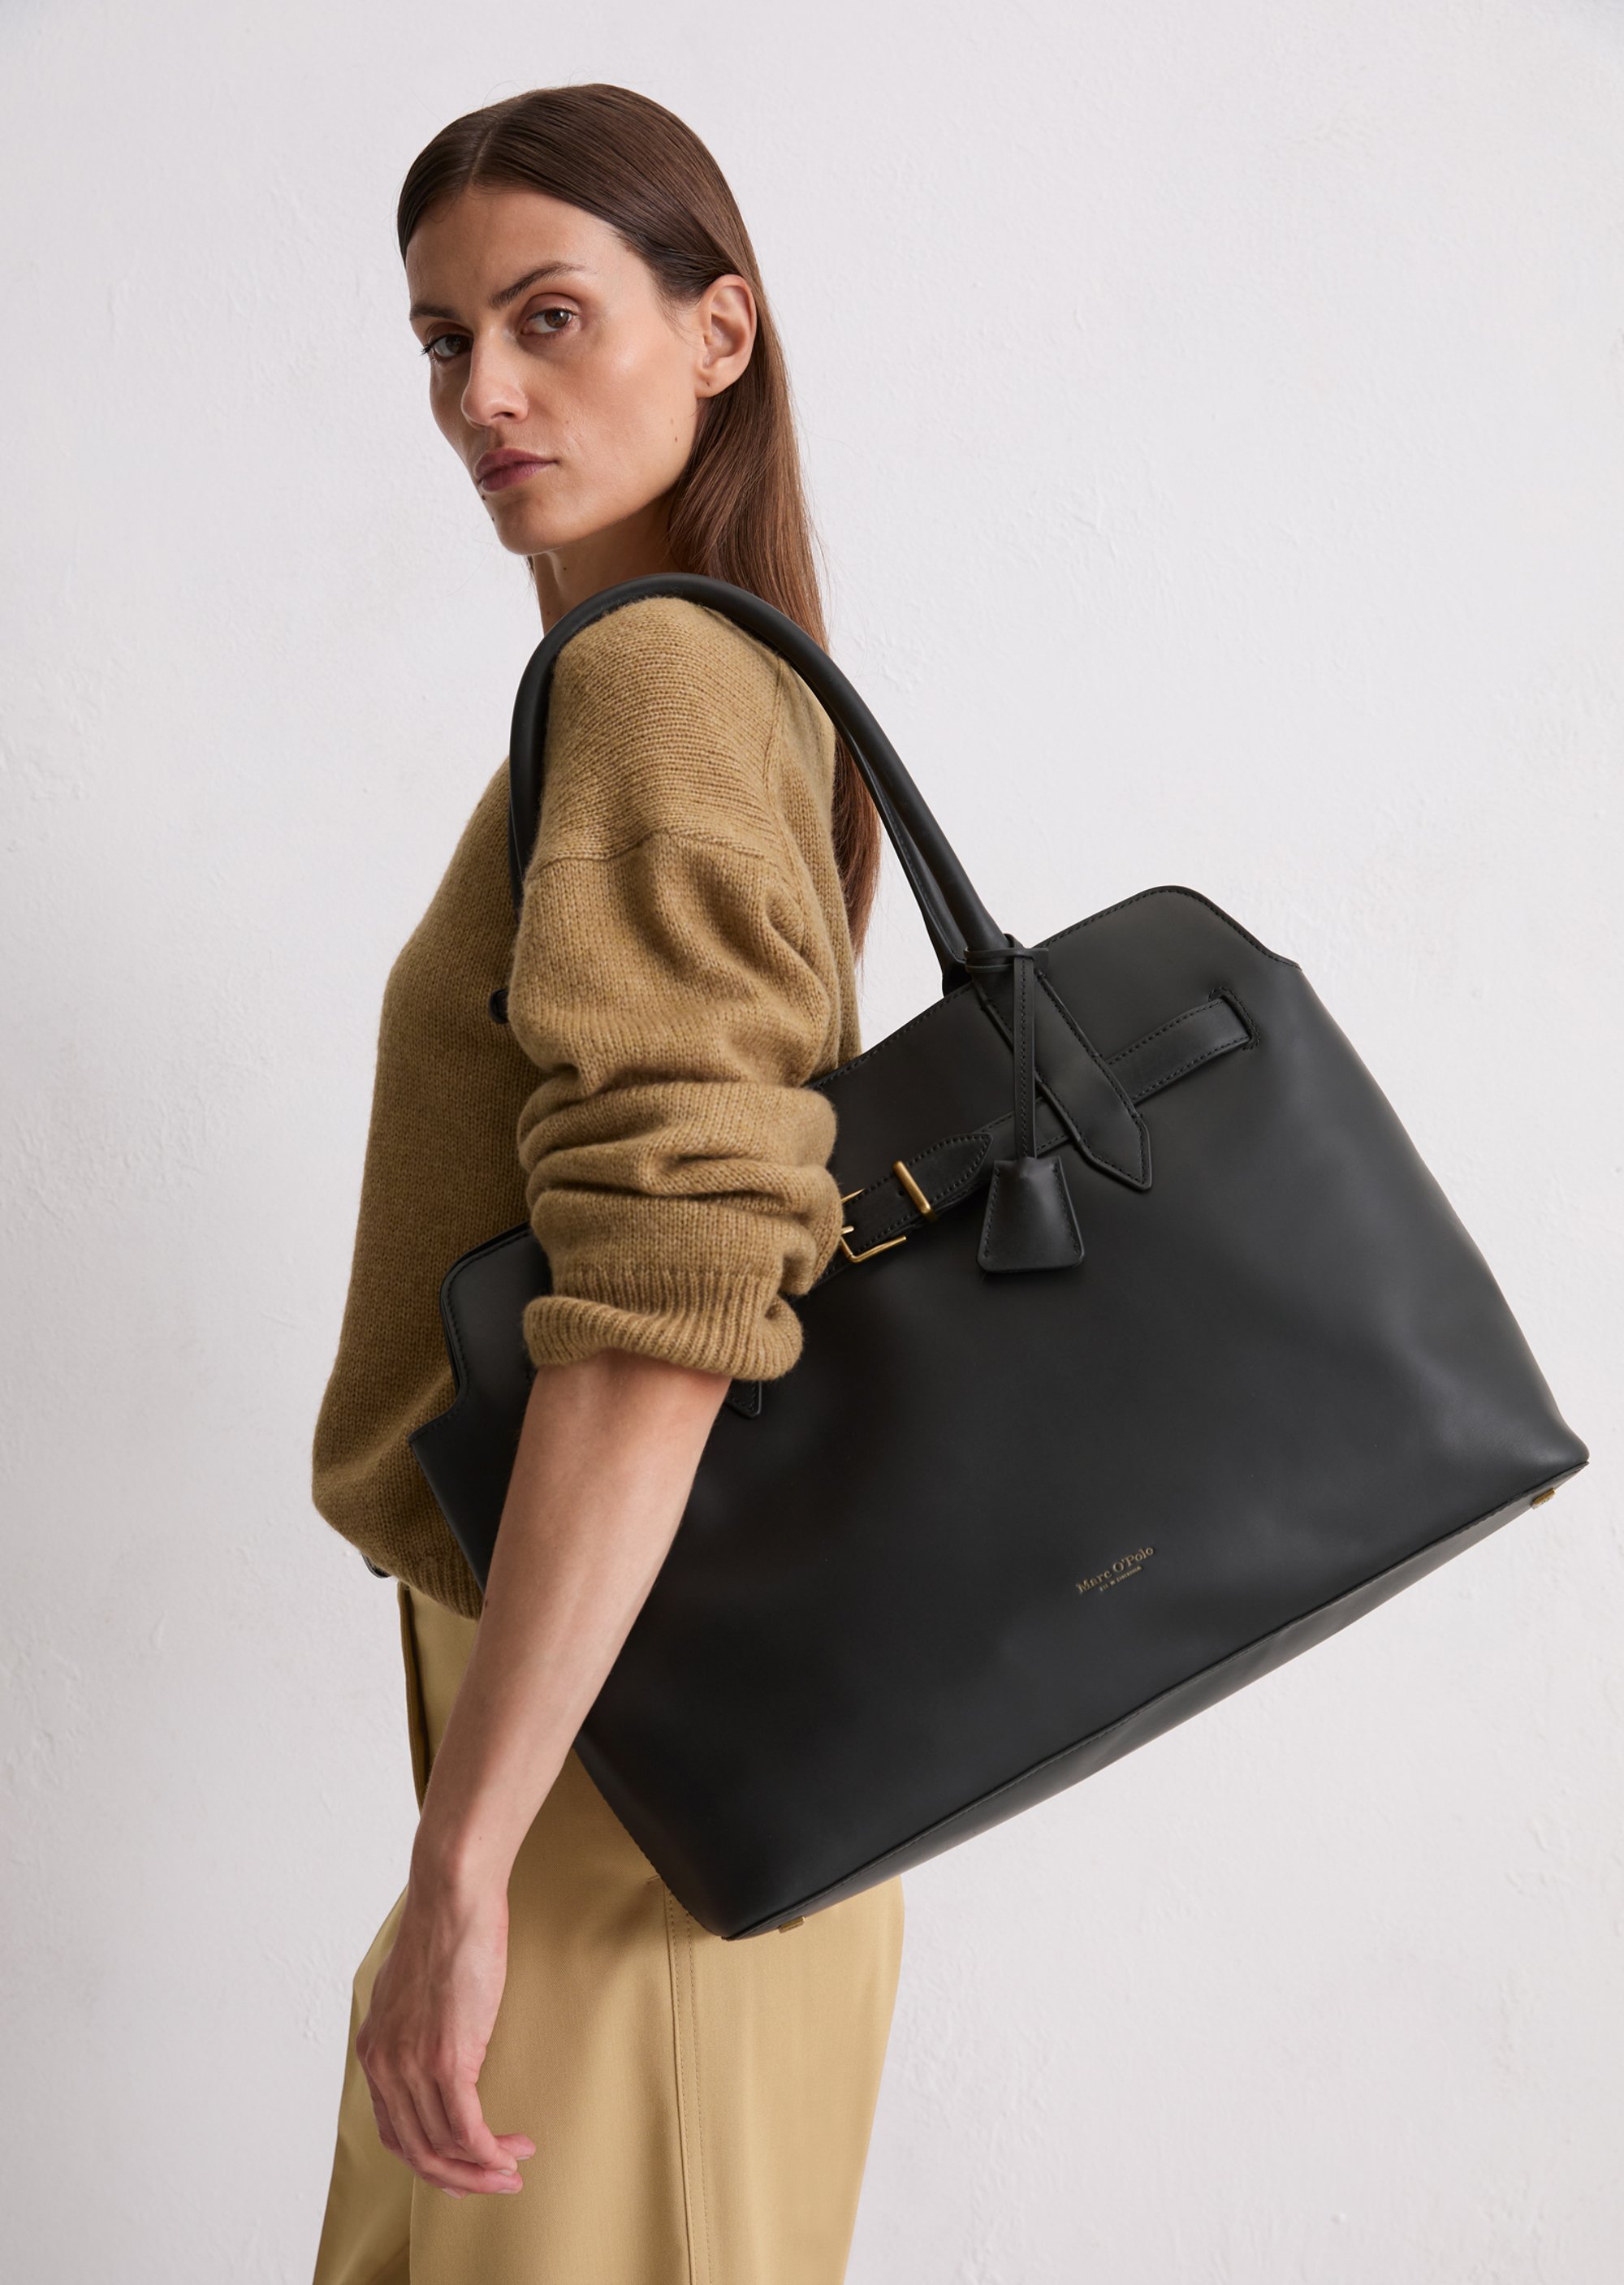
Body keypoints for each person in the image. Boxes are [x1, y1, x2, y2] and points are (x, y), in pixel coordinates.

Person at [307, 83, 905, 2285]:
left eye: (548, 317)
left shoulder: (655, 677)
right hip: (630, 1732)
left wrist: (468, 1861)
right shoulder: (678, 678)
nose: (484, 392)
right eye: (443, 339)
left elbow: (670, 1300)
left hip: (610, 1777)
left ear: (717, 331)